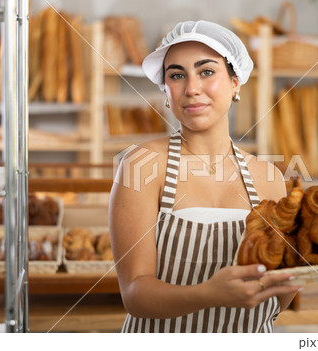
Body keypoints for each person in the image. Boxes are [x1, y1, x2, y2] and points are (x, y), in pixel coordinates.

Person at [109, 20, 302, 333]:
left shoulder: (269, 178)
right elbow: (134, 294)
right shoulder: (142, 165)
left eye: (207, 71)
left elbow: (278, 298)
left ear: (235, 81)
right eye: (177, 75)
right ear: (166, 90)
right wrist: (208, 294)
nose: (192, 89)